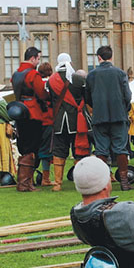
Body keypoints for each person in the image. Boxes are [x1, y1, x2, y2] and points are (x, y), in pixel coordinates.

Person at [85, 45, 134, 191]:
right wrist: (122, 109)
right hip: (118, 116)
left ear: (98, 57)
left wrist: (97, 108)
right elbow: (127, 95)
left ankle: (103, 183)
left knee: (101, 150)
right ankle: (124, 182)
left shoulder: (91, 75)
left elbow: (87, 97)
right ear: (111, 57)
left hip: (100, 117)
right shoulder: (120, 73)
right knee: (121, 149)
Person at [48, 53, 90, 192]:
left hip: (60, 122)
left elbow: (49, 100)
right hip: (76, 120)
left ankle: (58, 184)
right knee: (79, 151)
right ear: (70, 62)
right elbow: (86, 97)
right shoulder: (78, 79)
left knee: (59, 151)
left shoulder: (51, 80)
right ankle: (81, 182)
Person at [10, 47, 50, 191]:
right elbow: (42, 94)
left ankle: (24, 182)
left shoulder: (15, 74)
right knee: (32, 147)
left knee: (24, 147)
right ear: (32, 58)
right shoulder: (33, 74)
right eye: (38, 58)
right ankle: (25, 183)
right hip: (33, 112)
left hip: (19, 110)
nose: (39, 61)